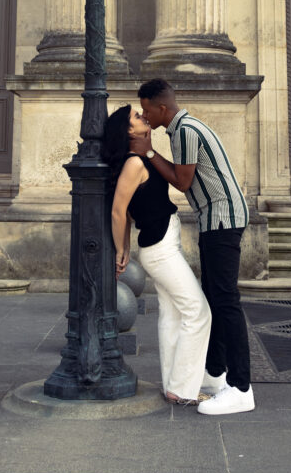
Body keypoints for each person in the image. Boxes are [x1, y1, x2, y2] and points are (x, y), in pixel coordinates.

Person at [133, 79, 255, 416]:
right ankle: (215, 375)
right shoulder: (180, 129)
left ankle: (242, 388)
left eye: (146, 109)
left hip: (223, 218)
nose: (144, 115)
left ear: (161, 108)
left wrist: (149, 152)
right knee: (214, 296)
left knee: (226, 301)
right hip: (213, 219)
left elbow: (182, 181)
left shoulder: (185, 130)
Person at [102, 104, 211, 406]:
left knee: (174, 314)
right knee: (198, 311)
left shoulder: (138, 159)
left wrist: (123, 249)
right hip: (160, 249)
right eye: (137, 117)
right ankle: (186, 389)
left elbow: (123, 213)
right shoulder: (133, 164)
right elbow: (117, 211)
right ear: (127, 131)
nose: (143, 118)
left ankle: (175, 386)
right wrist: (121, 249)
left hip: (163, 243)